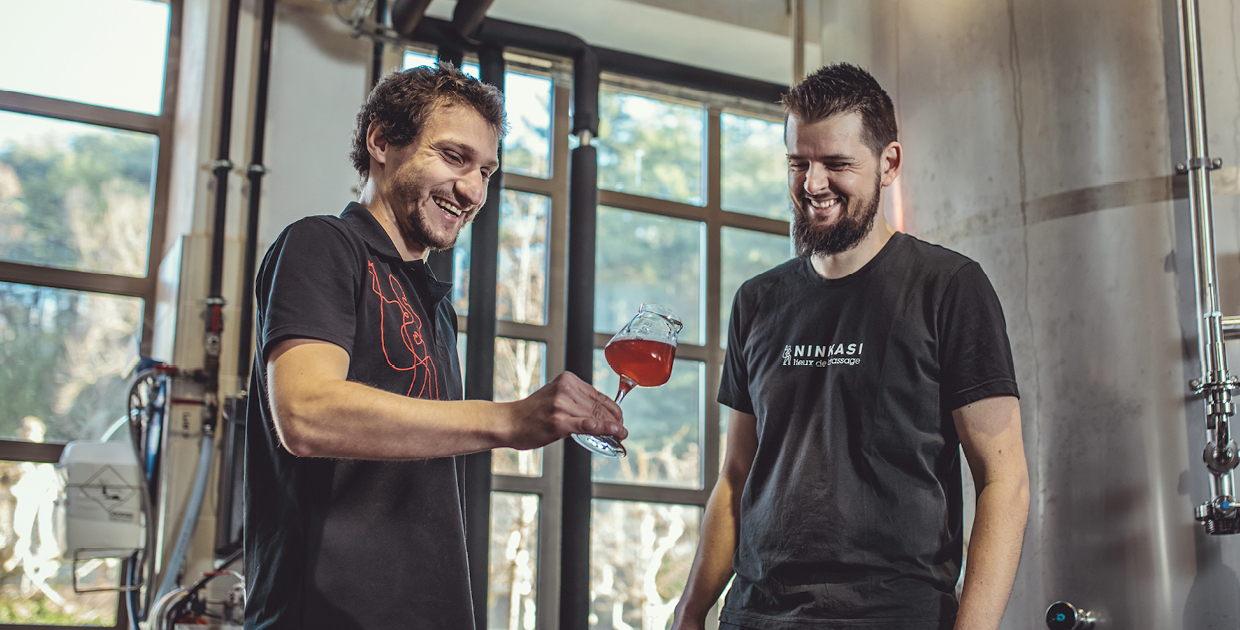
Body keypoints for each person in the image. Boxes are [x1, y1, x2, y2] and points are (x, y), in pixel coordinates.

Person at [244, 63, 625, 630]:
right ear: (380, 141)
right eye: (453, 157)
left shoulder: (434, 306)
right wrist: (509, 420)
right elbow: (305, 414)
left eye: (487, 171)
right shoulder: (322, 245)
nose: (473, 190)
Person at [672, 63, 1029, 630]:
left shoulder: (949, 287)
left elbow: (1004, 480)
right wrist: (690, 611)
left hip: (893, 615)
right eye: (799, 162)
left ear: (889, 164)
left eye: (836, 164)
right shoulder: (757, 301)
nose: (813, 184)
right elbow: (736, 477)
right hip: (754, 615)